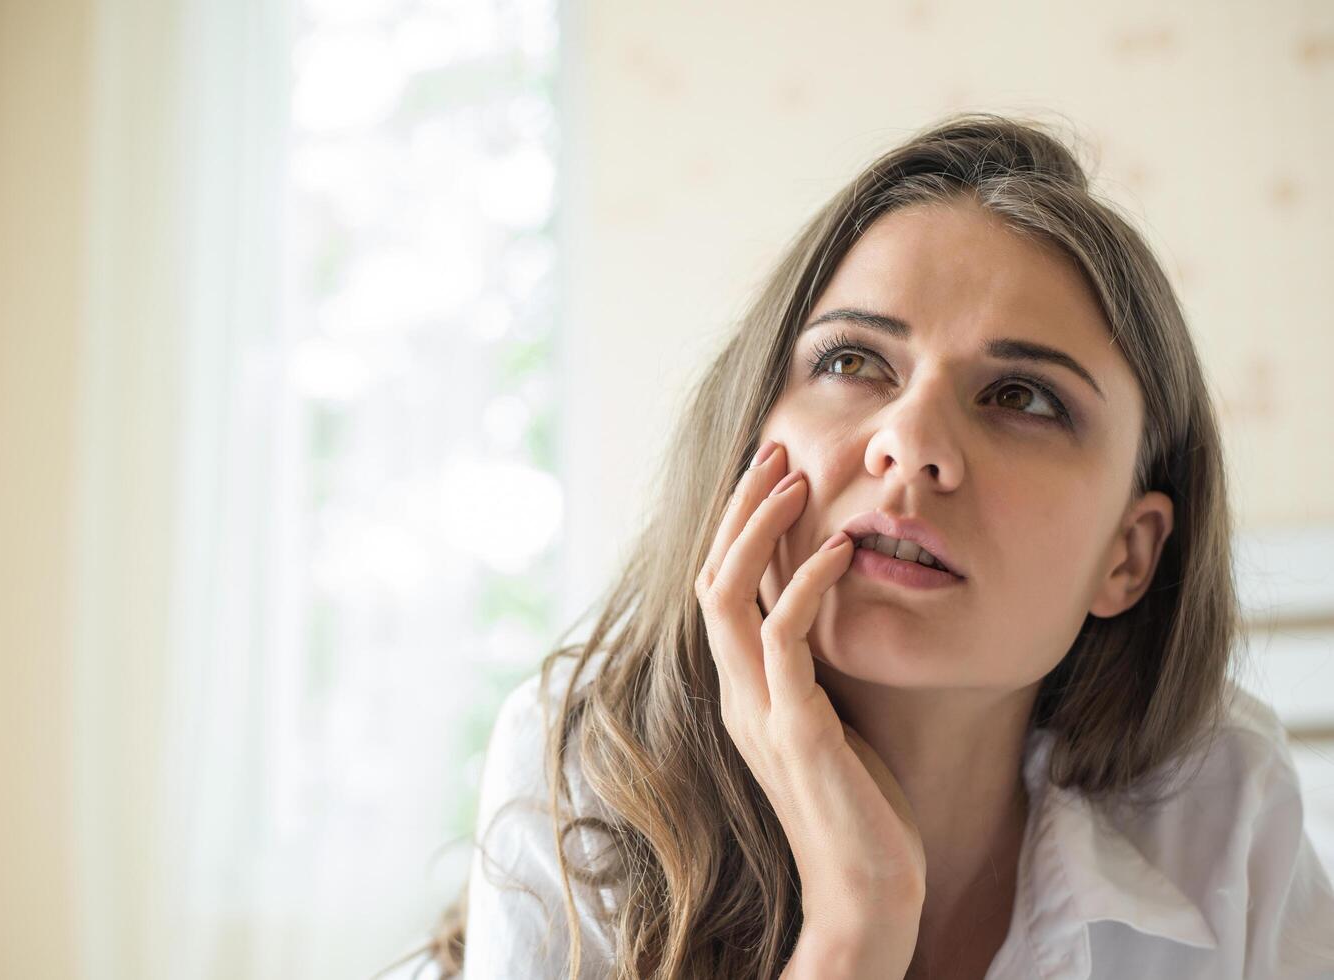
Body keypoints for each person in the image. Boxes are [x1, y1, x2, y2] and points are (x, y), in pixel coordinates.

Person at [383, 112, 1334, 979]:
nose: (911, 444)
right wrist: (856, 923)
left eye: (1021, 397)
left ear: (1127, 556)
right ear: (750, 437)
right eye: (850, 361)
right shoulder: (581, 775)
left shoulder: (1226, 801)